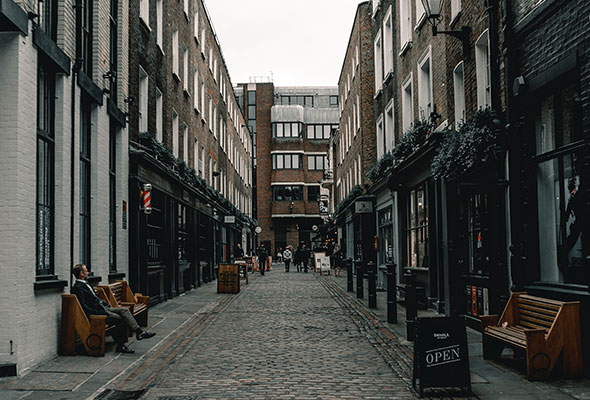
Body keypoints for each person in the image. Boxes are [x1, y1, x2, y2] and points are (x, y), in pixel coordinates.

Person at [71, 264, 155, 354]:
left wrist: (103, 302)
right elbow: (84, 306)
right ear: (81, 274)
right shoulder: (78, 287)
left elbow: (93, 298)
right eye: (86, 271)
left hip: (103, 308)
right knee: (120, 319)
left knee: (124, 310)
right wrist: (99, 312)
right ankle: (121, 345)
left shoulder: (86, 283)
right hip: (98, 313)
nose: (88, 272)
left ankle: (139, 332)